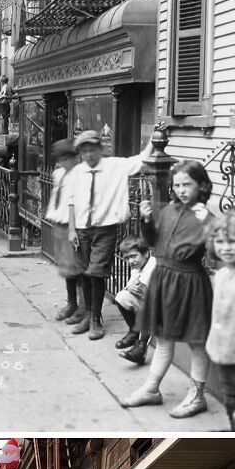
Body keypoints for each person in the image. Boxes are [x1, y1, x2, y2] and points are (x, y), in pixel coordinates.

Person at [120, 159, 214, 417]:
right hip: (164, 279)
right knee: (163, 339)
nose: (182, 189)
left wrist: (209, 225)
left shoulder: (205, 215)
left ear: (201, 186)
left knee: (197, 342)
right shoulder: (170, 210)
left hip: (190, 281)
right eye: (178, 185)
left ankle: (197, 395)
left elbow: (216, 254)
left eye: (188, 184)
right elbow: (152, 242)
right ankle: (151, 389)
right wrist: (147, 220)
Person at [66, 129, 156, 340]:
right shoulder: (76, 173)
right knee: (84, 272)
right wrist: (71, 229)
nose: (88, 155)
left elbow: (143, 158)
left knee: (97, 272)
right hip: (81, 229)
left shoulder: (116, 166)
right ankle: (88, 315)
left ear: (100, 149)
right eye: (84, 151)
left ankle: (96, 319)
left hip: (104, 229)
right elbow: (70, 201)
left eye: (92, 150)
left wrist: (154, 136)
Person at [205, 213, 235, 430]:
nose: (226, 247)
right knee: (230, 398)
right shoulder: (222, 274)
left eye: (233, 241)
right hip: (225, 354)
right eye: (220, 242)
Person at [45, 139, 81, 321]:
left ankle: (82, 307)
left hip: (72, 225)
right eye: (60, 159)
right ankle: (72, 302)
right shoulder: (58, 174)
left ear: (74, 158)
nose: (62, 162)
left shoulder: (80, 175)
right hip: (59, 223)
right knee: (66, 268)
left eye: (66, 158)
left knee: (77, 267)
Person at [114, 234, 156, 366]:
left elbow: (144, 288)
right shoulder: (137, 268)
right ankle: (134, 331)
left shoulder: (152, 264)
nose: (130, 261)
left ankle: (141, 347)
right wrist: (130, 287)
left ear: (146, 253)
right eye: (127, 258)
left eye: (133, 256)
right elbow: (130, 287)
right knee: (121, 297)